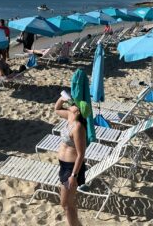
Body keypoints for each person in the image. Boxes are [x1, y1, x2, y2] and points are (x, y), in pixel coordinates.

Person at [54, 93, 87, 226]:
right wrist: (61, 98)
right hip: (64, 166)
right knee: (68, 204)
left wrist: (74, 175)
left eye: (74, 105)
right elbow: (56, 109)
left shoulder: (78, 127)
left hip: (71, 168)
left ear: (78, 111)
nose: (72, 104)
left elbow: (81, 154)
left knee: (66, 204)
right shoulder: (69, 116)